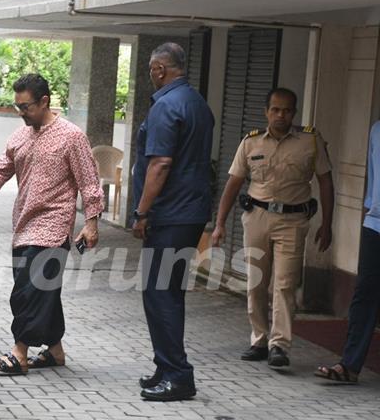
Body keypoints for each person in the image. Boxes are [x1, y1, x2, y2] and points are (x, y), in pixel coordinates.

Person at [0, 73, 104, 376]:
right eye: (17, 106)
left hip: (52, 226)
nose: (21, 112)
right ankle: (55, 351)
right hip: (23, 226)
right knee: (42, 292)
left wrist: (91, 223)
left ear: (45, 101)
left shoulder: (71, 137)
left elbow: (89, 182)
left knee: (27, 292)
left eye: (26, 107)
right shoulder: (20, 136)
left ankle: (18, 354)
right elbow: (1, 169)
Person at [212, 87, 334, 368]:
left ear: (294, 112)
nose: (281, 115)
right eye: (276, 109)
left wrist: (327, 224)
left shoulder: (311, 141)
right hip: (257, 217)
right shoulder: (250, 143)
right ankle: (259, 340)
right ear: (266, 111)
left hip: (293, 221)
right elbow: (232, 185)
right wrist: (219, 224)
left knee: (285, 284)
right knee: (256, 280)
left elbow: (326, 183)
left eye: (287, 110)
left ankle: (279, 345)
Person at [131, 42, 214, 401]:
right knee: (168, 293)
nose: (152, 76)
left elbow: (160, 164)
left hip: (170, 214)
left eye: (152, 70)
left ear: (160, 70)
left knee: (161, 294)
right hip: (189, 213)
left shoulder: (167, 104)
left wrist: (142, 212)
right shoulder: (197, 102)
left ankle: (178, 375)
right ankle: (166, 368)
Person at [316, 120, 380, 384]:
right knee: (364, 294)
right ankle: (349, 366)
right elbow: (373, 179)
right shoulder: (377, 129)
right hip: (375, 225)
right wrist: (367, 214)